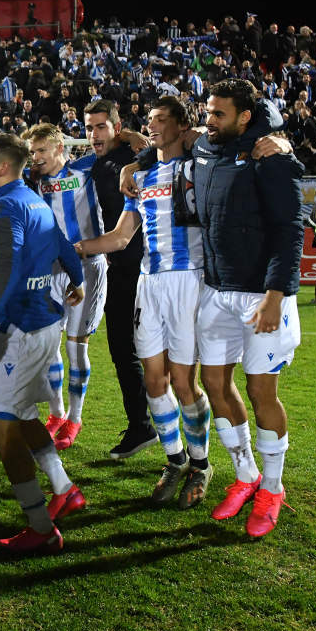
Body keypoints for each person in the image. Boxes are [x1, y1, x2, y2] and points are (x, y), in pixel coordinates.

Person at [0, 134, 86, 554]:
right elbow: (62, 244)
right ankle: (64, 489)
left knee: (3, 426)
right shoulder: (33, 198)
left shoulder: (5, 205)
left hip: (22, 329)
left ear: (3, 167)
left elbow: (6, 267)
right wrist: (76, 278)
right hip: (44, 324)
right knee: (23, 414)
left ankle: (41, 527)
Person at [77, 98, 214, 510]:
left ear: (182, 126)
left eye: (160, 121)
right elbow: (120, 238)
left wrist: (189, 139)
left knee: (183, 382)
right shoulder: (141, 175)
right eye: (149, 120)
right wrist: (72, 249)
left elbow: (213, 141)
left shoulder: (198, 165)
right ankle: (174, 461)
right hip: (148, 283)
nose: (151, 127)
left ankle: (201, 464)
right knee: (154, 380)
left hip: (188, 279)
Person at [191, 79, 303, 538]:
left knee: (261, 392)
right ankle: (245, 476)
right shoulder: (203, 147)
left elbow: (290, 228)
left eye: (219, 114)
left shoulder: (269, 155)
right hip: (216, 289)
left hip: (262, 294)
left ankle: (272, 489)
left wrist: (276, 294)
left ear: (244, 116)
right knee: (213, 382)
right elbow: (164, 140)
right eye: (208, 111)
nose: (209, 120)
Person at [24, 123, 106, 450]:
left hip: (88, 266)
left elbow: (117, 151)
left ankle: (75, 417)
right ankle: (57, 412)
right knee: (49, 345)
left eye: (42, 150)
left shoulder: (85, 168)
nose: (36, 157)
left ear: (60, 148)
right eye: (32, 152)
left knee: (76, 347)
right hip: (53, 268)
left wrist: (129, 139)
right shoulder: (34, 181)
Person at [84, 99, 157, 459]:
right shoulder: (99, 164)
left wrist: (131, 138)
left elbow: (159, 146)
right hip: (122, 265)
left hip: (138, 266)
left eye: (101, 127)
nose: (94, 134)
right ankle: (144, 424)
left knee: (128, 349)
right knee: (125, 349)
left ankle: (145, 426)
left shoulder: (134, 153)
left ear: (115, 127)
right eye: (89, 127)